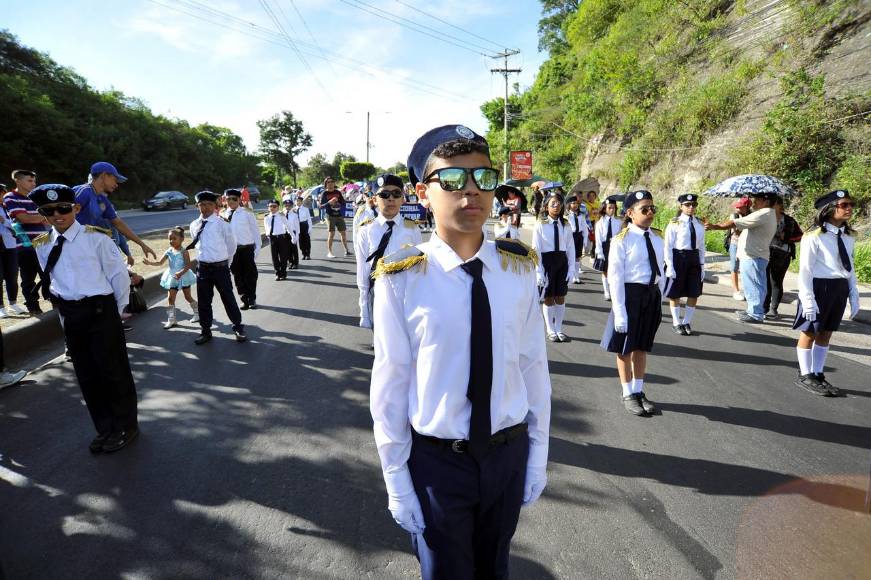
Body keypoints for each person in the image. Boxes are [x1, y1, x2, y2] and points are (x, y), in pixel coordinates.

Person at [370, 125, 550, 580]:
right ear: (423, 193)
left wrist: (537, 453)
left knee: (495, 570)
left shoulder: (518, 268)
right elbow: (390, 383)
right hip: (438, 464)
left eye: (483, 178)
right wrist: (396, 478)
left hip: (506, 455)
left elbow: (533, 367)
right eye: (452, 179)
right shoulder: (402, 278)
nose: (471, 190)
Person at [29, 184, 138, 452]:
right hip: (70, 313)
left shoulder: (97, 238)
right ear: (42, 215)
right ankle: (105, 428)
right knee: (86, 374)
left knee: (113, 371)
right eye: (49, 211)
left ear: (76, 208)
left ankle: (126, 426)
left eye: (63, 208)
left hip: (101, 310)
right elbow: (53, 279)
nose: (58, 215)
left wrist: (116, 313)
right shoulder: (42, 244)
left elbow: (119, 278)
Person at [600, 190, 665, 417]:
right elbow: (615, 278)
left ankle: (638, 390)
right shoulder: (622, 240)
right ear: (630, 213)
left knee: (642, 346)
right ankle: (627, 392)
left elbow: (660, 270)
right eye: (644, 209)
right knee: (625, 347)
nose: (650, 213)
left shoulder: (657, 238)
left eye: (652, 209)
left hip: (650, 296)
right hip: (630, 296)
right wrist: (619, 312)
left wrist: (660, 295)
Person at [792, 190, 860, 396]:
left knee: (826, 332)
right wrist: (807, 299)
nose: (849, 209)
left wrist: (853, 293)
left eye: (851, 204)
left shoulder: (848, 236)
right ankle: (806, 374)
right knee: (810, 331)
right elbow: (805, 270)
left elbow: (850, 266)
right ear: (830, 209)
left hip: (838, 287)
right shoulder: (814, 236)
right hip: (818, 287)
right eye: (844, 205)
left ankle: (818, 373)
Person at [354, 174, 422, 329]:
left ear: (402, 198)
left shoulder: (412, 228)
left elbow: (420, 267)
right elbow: (362, 271)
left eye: (396, 194)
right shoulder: (366, 230)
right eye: (384, 194)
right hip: (378, 297)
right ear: (375, 199)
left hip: (407, 297)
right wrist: (364, 310)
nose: (391, 198)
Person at [706, 191, 777, 323]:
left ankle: (755, 313)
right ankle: (753, 310)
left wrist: (715, 226)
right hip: (756, 255)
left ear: (766, 201)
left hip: (753, 256)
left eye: (757, 199)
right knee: (756, 285)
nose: (754, 202)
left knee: (754, 285)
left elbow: (735, 222)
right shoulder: (768, 214)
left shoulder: (763, 213)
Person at [189, 190, 246, 345]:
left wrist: (226, 264)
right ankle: (205, 331)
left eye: (209, 204)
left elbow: (231, 246)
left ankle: (238, 327)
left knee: (228, 298)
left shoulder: (222, 224)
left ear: (215, 206)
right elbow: (197, 246)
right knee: (204, 302)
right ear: (197, 206)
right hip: (203, 269)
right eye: (202, 204)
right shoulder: (194, 225)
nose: (205, 208)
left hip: (220, 268)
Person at [73, 162, 157, 261]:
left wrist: (142, 244)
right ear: (104, 176)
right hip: (73, 248)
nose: (116, 185)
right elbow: (60, 213)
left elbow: (118, 223)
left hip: (86, 249)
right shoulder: (83, 192)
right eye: (115, 180)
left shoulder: (102, 200)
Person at [4, 170, 50, 314]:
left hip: (44, 242)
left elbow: (48, 219)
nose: (33, 184)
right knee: (28, 278)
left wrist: (41, 217)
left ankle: (52, 301)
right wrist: (43, 216)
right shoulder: (10, 197)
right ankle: (33, 306)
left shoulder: (35, 197)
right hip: (25, 244)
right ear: (18, 181)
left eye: (34, 181)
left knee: (48, 275)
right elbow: (23, 218)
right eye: (30, 181)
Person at [533, 191, 575, 342]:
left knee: (560, 296)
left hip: (561, 261)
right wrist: (539, 271)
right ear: (546, 207)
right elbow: (536, 249)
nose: (556, 206)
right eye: (553, 203)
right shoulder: (540, 224)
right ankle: (550, 330)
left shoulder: (566, 224)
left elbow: (570, 247)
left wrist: (571, 268)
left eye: (558, 203)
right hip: (547, 262)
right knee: (549, 297)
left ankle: (559, 328)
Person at [664, 193, 706, 336]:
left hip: (694, 258)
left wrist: (702, 265)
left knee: (694, 292)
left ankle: (686, 321)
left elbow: (701, 246)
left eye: (694, 205)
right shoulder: (674, 223)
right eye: (687, 205)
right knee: (675, 293)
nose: (691, 207)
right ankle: (676, 322)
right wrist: (669, 265)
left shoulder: (699, 224)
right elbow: (668, 246)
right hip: (678, 257)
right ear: (681, 206)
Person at [143, 227, 198, 329]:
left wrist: (180, 273)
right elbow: (160, 262)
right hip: (172, 277)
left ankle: (197, 313)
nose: (171, 241)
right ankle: (171, 319)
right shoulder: (169, 251)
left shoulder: (184, 251)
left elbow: (188, 265)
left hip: (183, 276)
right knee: (170, 298)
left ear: (182, 239)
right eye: (170, 239)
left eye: (174, 238)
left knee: (187, 296)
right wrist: (150, 263)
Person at [763, 196, 802, 320]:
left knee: (776, 281)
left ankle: (773, 309)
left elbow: (800, 236)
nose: (769, 206)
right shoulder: (765, 218)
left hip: (783, 254)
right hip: (765, 253)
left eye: (772, 204)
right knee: (765, 281)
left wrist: (786, 238)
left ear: (779, 205)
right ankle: (763, 308)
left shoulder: (789, 221)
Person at [222, 189, 261, 310]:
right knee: (237, 275)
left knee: (250, 274)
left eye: (234, 199)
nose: (231, 201)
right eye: (228, 199)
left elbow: (255, 230)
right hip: (232, 251)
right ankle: (244, 299)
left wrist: (258, 247)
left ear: (239, 200)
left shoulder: (247, 212)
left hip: (246, 248)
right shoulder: (223, 214)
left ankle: (252, 298)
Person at [0, 185, 24, 317]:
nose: (3, 196)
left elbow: (16, 226)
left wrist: (4, 221)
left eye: (3, 193)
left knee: (12, 275)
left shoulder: (7, 208)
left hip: (10, 245)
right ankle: (1, 308)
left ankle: (13, 304)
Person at [594, 195, 623, 301]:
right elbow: (598, 238)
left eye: (613, 208)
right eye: (609, 208)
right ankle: (607, 291)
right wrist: (599, 252)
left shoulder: (618, 222)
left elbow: (620, 236)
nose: (612, 210)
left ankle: (614, 289)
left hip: (614, 246)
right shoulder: (600, 222)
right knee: (605, 270)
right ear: (604, 209)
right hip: (604, 247)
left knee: (615, 269)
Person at [318, 177, 351, 258]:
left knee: (343, 233)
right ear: (326, 184)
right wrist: (329, 202)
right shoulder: (324, 193)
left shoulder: (338, 192)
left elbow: (343, 202)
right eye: (328, 182)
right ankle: (330, 252)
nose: (330, 183)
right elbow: (321, 206)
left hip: (339, 215)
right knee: (331, 234)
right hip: (330, 216)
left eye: (332, 181)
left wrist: (338, 201)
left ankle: (346, 250)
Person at [727, 197, 751, 301]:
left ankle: (747, 290)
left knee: (746, 268)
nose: (737, 209)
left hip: (748, 244)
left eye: (740, 207)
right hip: (735, 244)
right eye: (737, 206)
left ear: (747, 207)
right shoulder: (735, 216)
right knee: (734, 267)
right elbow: (736, 231)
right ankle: (736, 291)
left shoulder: (752, 216)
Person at [264, 200, 291, 280]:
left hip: (281, 238)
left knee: (283, 256)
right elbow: (266, 226)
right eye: (270, 206)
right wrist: (267, 234)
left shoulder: (281, 216)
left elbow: (288, 226)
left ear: (278, 207)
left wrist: (293, 236)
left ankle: (283, 273)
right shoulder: (266, 217)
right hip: (272, 238)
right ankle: (277, 273)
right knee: (274, 257)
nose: (272, 208)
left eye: (274, 206)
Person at [565, 194, 589, 284]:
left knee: (578, 257)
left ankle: (576, 276)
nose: (575, 205)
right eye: (573, 203)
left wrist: (585, 239)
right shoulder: (566, 216)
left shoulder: (581, 215)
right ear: (569, 205)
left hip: (579, 236)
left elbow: (585, 228)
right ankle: (569, 275)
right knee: (570, 256)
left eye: (576, 203)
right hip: (570, 237)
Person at [282, 196, 301, 269]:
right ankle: (290, 262)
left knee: (294, 249)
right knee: (287, 249)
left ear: (292, 206)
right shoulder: (282, 214)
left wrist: (297, 235)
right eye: (286, 205)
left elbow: (297, 226)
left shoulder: (294, 215)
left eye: (289, 205)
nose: (287, 207)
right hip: (285, 233)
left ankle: (295, 263)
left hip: (293, 232)